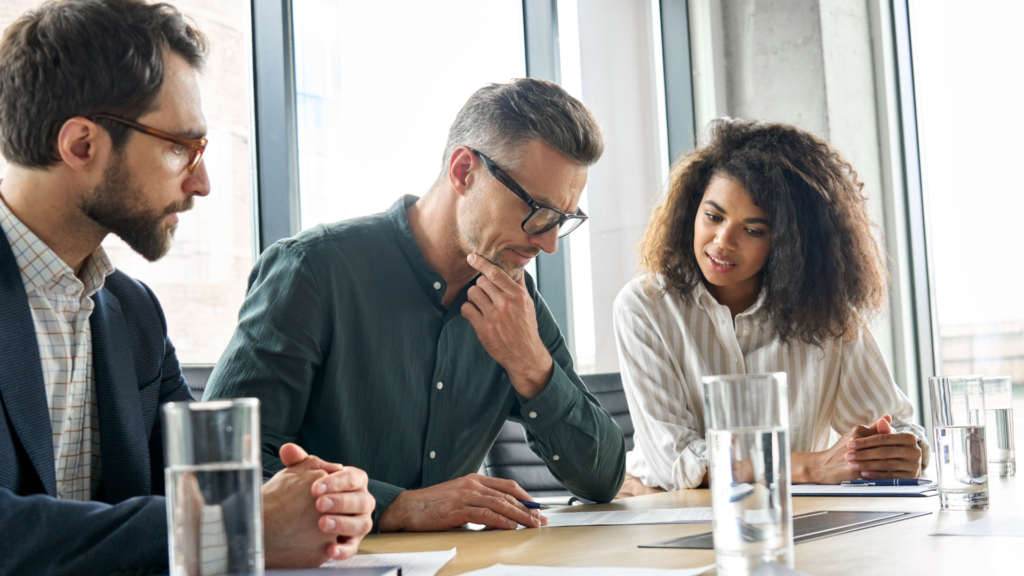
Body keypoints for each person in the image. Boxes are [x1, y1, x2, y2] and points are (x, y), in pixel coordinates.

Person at [0, 1, 372, 574]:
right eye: (180, 147)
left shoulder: (134, 313)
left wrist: (320, 502)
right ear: (81, 145)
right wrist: (241, 524)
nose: (201, 183)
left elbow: (205, 494)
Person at [204, 78, 627, 531]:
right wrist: (399, 506)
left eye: (562, 221)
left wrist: (531, 365)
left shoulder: (515, 301)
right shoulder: (313, 271)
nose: (548, 245)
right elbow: (219, 464)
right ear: (464, 171)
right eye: (538, 211)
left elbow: (602, 480)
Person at [613, 118, 930, 496]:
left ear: (788, 244)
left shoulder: (827, 315)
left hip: (793, 517)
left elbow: (901, 427)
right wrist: (811, 466)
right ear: (691, 212)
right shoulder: (644, 307)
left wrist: (894, 451)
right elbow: (676, 462)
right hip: (664, 510)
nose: (722, 241)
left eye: (753, 230)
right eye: (713, 216)